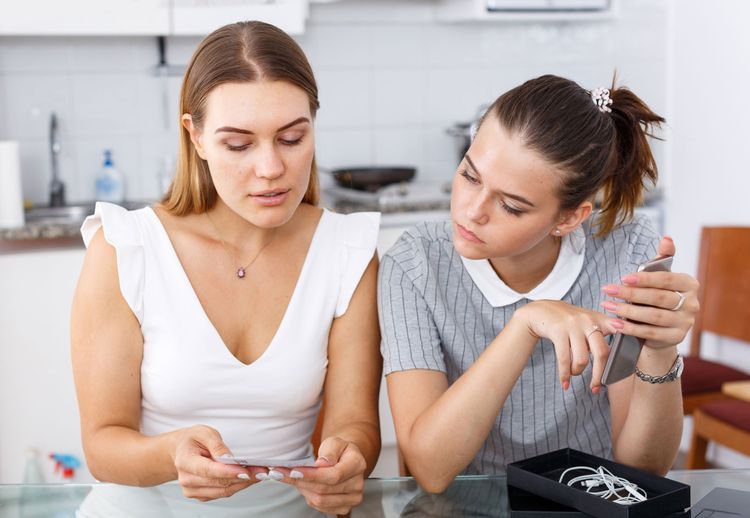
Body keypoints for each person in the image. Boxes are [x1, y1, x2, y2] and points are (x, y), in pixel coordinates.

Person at [71, 21, 381, 515]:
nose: (271, 168)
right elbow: (103, 446)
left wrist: (351, 456)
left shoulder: (347, 250)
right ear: (195, 136)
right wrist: (172, 453)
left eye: (292, 138)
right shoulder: (126, 247)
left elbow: (355, 423)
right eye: (239, 145)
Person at [378, 74, 699, 493]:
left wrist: (659, 350)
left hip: (591, 498)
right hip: (465, 505)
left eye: (511, 206)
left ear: (568, 218)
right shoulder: (414, 263)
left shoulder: (628, 250)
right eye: (470, 175)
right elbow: (431, 468)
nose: (472, 211)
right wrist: (525, 325)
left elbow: (644, 468)